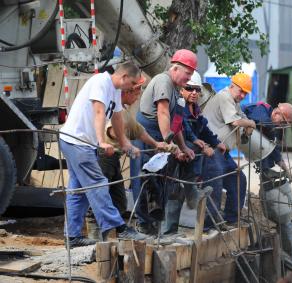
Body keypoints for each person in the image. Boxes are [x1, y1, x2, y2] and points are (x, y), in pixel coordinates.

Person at [59, 62, 147, 248]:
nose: (132, 88)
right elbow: (99, 111)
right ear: (123, 77)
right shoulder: (101, 81)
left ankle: (72, 237)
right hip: (77, 141)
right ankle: (118, 227)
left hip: (79, 142)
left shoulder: (114, 90)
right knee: (98, 183)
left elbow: (116, 118)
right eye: (132, 83)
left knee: (78, 192)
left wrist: (124, 143)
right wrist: (101, 141)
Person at [86, 76, 176, 239]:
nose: (139, 96)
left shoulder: (123, 111)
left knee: (119, 200)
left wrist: (157, 144)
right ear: (127, 91)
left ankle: (113, 234)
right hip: (103, 156)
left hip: (113, 158)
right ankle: (95, 237)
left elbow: (138, 130)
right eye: (137, 92)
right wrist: (126, 144)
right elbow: (111, 130)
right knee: (99, 195)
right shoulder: (114, 109)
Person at [131, 49, 201, 235]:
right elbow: (162, 112)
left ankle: (156, 224)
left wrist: (183, 147)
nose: (189, 79)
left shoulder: (178, 92)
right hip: (147, 135)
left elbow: (176, 122)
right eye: (187, 74)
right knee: (144, 179)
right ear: (176, 68)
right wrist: (169, 144)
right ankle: (143, 224)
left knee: (161, 181)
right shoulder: (163, 81)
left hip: (162, 136)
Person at [242, 101, 292, 266]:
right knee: (240, 182)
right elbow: (260, 123)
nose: (282, 126)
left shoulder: (271, 125)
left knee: (287, 210)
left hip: (262, 160)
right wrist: (272, 134)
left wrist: (284, 167)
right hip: (229, 137)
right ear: (277, 113)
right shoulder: (262, 111)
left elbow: (274, 151)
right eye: (283, 122)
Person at [202, 73, 256, 226]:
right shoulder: (225, 97)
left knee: (239, 180)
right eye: (242, 91)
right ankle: (209, 224)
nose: (243, 95)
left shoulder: (234, 101)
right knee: (215, 185)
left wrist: (248, 126)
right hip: (212, 150)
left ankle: (231, 219)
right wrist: (250, 124)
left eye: (246, 93)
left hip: (222, 152)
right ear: (233, 86)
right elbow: (236, 121)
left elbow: (243, 119)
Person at [181, 71, 227, 230]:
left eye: (197, 89)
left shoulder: (194, 108)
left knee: (221, 168)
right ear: (181, 89)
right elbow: (183, 131)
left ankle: (214, 216)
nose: (194, 93)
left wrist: (215, 142)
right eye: (189, 88)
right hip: (182, 151)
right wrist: (204, 146)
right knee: (213, 169)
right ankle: (207, 221)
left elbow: (203, 129)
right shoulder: (180, 107)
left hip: (194, 149)